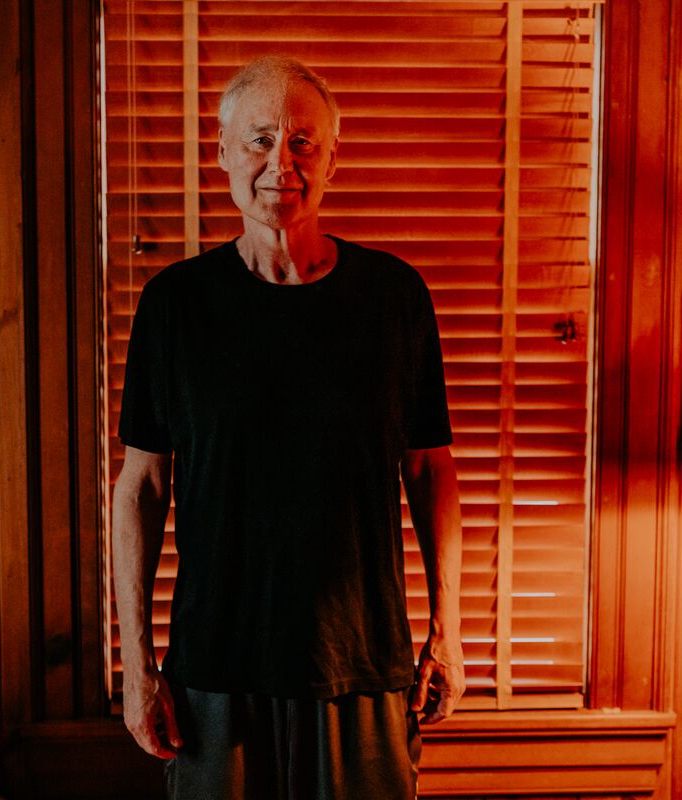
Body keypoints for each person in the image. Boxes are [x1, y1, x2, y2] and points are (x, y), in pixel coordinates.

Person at [113, 55, 465, 800]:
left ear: (332, 157)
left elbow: (432, 471)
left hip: (363, 662)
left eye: (303, 142)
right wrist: (140, 665)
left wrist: (449, 631)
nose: (282, 164)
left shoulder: (394, 297)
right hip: (215, 669)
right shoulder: (176, 306)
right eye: (260, 139)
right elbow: (140, 487)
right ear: (222, 152)